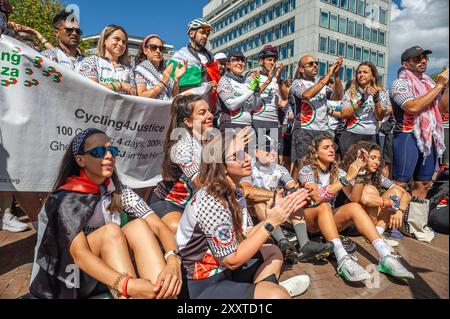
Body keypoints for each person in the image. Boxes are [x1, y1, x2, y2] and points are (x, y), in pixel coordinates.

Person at [29, 129, 182, 299]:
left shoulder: (116, 189)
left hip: (104, 269)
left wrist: (173, 259)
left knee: (139, 226)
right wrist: (127, 285)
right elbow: (80, 255)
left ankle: (164, 294)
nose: (109, 155)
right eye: (99, 151)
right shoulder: (65, 198)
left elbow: (159, 226)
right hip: (68, 278)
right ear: (80, 160)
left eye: (112, 150)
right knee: (111, 232)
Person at [177, 132, 311, 299]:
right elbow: (231, 260)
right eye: (237, 156)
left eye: (245, 151)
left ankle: (266, 289)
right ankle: (273, 291)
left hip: (226, 272)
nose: (247, 158)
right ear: (222, 166)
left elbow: (244, 234)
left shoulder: (236, 191)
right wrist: (270, 223)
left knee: (273, 251)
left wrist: (277, 216)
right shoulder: (212, 201)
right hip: (204, 283)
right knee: (276, 296)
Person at [298, 134, 415, 282]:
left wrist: (360, 172)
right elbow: (317, 197)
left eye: (332, 147)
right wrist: (347, 177)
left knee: (353, 207)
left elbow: (355, 199)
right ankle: (343, 260)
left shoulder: (338, 172)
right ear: (315, 152)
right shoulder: (306, 170)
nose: (332, 150)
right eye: (326, 147)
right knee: (323, 207)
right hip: (309, 220)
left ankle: (386, 256)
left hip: (329, 221)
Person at [240, 136, 334, 264]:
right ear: (256, 152)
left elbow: (291, 188)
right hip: (254, 216)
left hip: (277, 212)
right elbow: (246, 191)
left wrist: (293, 193)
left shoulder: (280, 169)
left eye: (274, 149)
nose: (272, 152)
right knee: (259, 202)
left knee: (294, 197)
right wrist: (274, 195)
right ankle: (282, 242)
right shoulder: (249, 168)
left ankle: (304, 245)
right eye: (267, 149)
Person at [148, 95, 215, 235]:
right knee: (182, 231)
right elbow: (200, 181)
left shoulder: (210, 139)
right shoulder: (181, 145)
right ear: (188, 122)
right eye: (202, 113)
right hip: (170, 203)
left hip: (195, 204)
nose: (210, 116)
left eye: (209, 111)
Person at [389, 46, 449, 199]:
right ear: (405, 64)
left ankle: (415, 222)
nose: (423, 61)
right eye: (417, 58)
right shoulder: (399, 83)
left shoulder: (429, 84)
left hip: (428, 138)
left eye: (425, 58)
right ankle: (391, 222)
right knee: (400, 184)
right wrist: (439, 86)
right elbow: (413, 107)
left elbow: (442, 109)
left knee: (423, 184)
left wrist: (447, 87)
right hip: (406, 136)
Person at [341, 141, 412, 248]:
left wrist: (400, 211)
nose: (377, 162)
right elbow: (364, 199)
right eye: (373, 157)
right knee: (370, 190)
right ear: (361, 157)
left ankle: (378, 234)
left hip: (369, 222)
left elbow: (405, 193)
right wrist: (391, 203)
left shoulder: (377, 176)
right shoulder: (346, 173)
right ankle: (375, 236)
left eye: (378, 159)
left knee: (396, 192)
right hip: (350, 223)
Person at [290, 56, 344, 179]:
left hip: (323, 130)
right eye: (310, 64)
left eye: (316, 63)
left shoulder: (321, 84)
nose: (315, 65)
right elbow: (306, 94)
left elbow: (338, 96)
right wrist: (327, 76)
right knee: (302, 164)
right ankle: (293, 190)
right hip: (304, 129)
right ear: (301, 70)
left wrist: (336, 76)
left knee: (322, 164)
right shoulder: (297, 83)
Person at [332, 62, 391, 157]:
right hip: (351, 135)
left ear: (372, 76)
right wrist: (362, 100)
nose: (361, 75)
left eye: (365, 72)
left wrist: (376, 99)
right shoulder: (350, 92)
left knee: (370, 170)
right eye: (359, 72)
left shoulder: (381, 93)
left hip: (372, 136)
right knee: (348, 168)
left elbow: (379, 117)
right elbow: (344, 114)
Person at [169, 18, 220, 108]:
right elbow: (173, 86)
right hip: (189, 108)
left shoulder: (212, 59)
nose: (205, 36)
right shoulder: (180, 56)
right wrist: (204, 86)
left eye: (207, 34)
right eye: (202, 32)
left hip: (210, 109)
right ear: (192, 33)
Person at [78, 25, 136, 95]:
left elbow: (133, 95)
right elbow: (91, 88)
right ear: (105, 40)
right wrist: (120, 85)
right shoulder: (91, 60)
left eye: (124, 42)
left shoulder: (129, 69)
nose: (121, 44)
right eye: (116, 39)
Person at [217, 51, 262, 130]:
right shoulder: (224, 80)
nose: (240, 63)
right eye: (236, 60)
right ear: (228, 65)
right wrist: (251, 91)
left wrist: (256, 93)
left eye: (242, 60)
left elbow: (255, 108)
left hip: (248, 126)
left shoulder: (247, 82)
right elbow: (231, 105)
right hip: (230, 125)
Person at [252, 45, 286, 145]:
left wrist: (279, 80)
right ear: (261, 62)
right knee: (256, 155)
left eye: (274, 60)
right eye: (269, 60)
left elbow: (284, 100)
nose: (272, 63)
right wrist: (268, 80)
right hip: (258, 120)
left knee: (272, 157)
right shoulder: (255, 76)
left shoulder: (277, 80)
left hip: (273, 121)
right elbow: (252, 95)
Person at [134, 34, 187, 100]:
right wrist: (163, 82)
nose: (158, 51)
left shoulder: (163, 72)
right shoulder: (139, 70)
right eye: (153, 47)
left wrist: (176, 80)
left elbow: (174, 96)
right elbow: (142, 96)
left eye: (161, 48)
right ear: (145, 50)